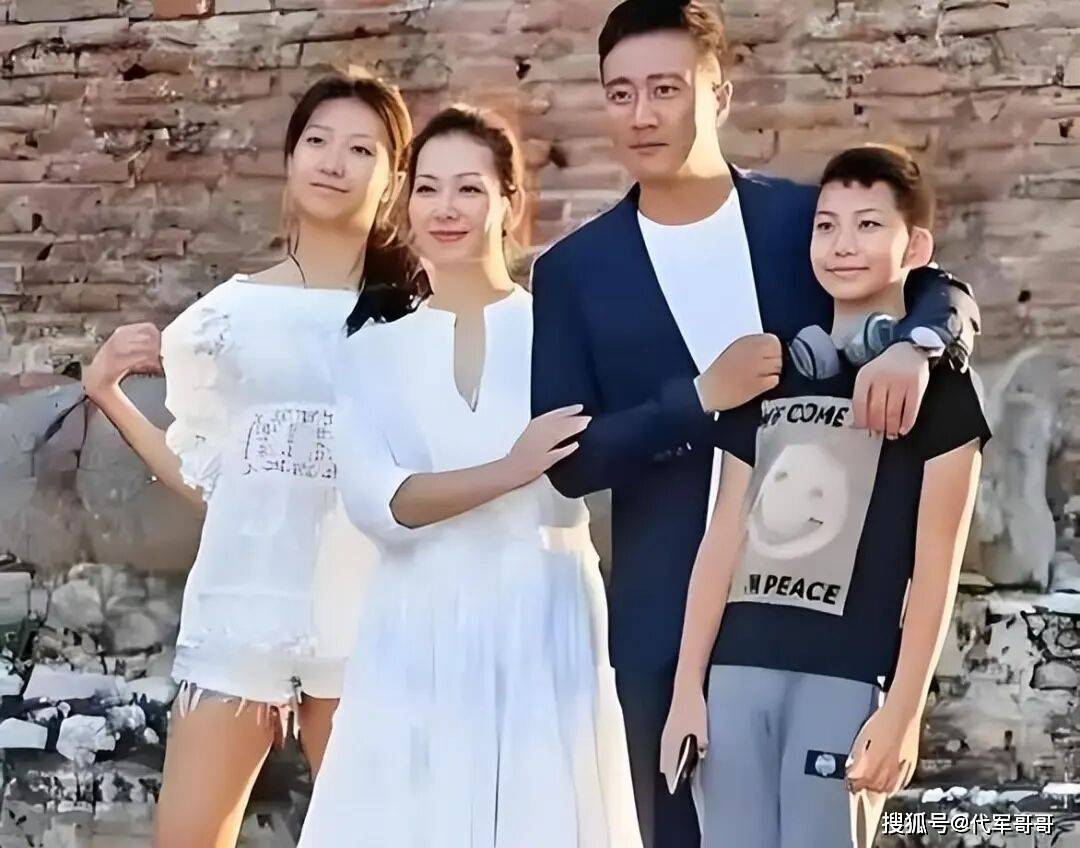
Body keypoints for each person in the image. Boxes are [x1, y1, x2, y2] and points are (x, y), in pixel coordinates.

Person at [529, 3, 982, 846]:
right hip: (665, 620)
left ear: (720, 95)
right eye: (620, 93)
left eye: (666, 89)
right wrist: (700, 397)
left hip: (822, 621)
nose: (642, 114)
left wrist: (919, 345)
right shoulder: (572, 271)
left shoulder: (800, 221)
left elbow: (935, 283)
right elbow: (568, 457)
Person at [81, 70, 417, 848]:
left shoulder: (413, 319)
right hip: (240, 615)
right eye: (317, 141)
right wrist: (109, 396)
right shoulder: (227, 315)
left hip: (368, 623)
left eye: (361, 149)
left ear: (394, 179)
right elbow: (211, 482)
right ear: (291, 158)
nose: (333, 161)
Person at [298, 105, 642, 848]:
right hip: (417, 618)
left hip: (543, 609)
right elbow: (380, 502)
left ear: (510, 203)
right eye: (427, 189)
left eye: (469, 189)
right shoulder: (369, 348)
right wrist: (510, 468)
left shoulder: (564, 329)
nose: (445, 209)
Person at [659, 144, 990, 848]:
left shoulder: (941, 390)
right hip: (736, 673)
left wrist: (904, 711)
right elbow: (723, 536)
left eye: (868, 225)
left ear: (915, 247)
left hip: (848, 676)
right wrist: (688, 687)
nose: (842, 245)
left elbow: (937, 567)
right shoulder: (770, 375)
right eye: (827, 226)